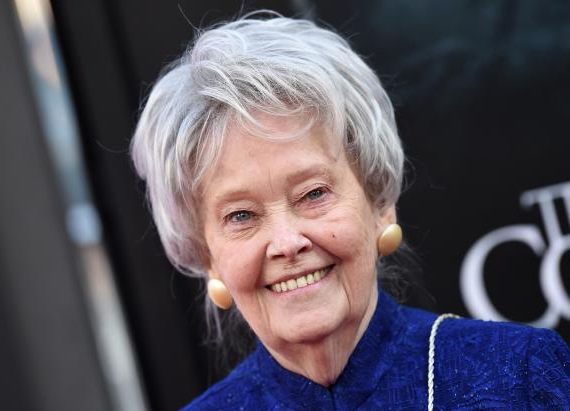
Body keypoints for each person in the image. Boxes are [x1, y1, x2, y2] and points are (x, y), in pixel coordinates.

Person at [130, 12, 570, 410]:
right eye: (241, 216)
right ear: (207, 255)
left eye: (313, 194)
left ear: (379, 202)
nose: (286, 243)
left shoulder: (519, 376)